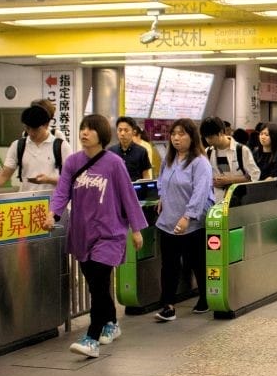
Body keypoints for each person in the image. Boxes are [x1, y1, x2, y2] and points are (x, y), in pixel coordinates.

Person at [44, 114, 147, 358]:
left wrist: (136, 229)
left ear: (101, 134)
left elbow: (128, 196)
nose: (84, 133)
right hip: (82, 232)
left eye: (90, 129)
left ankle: (92, 337)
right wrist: (53, 214)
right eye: (82, 128)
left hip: (109, 233)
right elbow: (62, 191)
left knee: (100, 283)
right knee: (95, 285)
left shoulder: (113, 163)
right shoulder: (72, 162)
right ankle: (111, 321)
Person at [154, 118, 213, 322]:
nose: (176, 138)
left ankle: (205, 298)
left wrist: (188, 216)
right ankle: (168, 305)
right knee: (168, 264)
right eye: (174, 134)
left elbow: (201, 192)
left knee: (196, 261)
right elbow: (161, 180)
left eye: (182, 134)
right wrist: (162, 197)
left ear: (192, 137)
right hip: (168, 220)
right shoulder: (168, 159)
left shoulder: (200, 162)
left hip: (192, 223)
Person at [0, 105, 73, 194]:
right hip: (27, 205)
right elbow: (4, 175)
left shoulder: (61, 146)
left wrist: (48, 180)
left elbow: (71, 179)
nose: (31, 133)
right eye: (27, 128)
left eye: (35, 129)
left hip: (54, 205)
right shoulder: (18, 145)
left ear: (46, 125)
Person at [200, 116, 260, 201]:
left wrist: (230, 180)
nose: (208, 141)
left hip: (241, 201)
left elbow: (255, 175)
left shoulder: (241, 150)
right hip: (218, 202)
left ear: (220, 132)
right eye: (205, 138)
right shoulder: (208, 152)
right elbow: (203, 177)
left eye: (210, 137)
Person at [109, 116, 152, 181]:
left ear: (133, 132)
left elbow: (146, 175)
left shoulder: (142, 151)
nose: (122, 133)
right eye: (120, 130)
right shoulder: (111, 151)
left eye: (126, 130)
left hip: (135, 190)